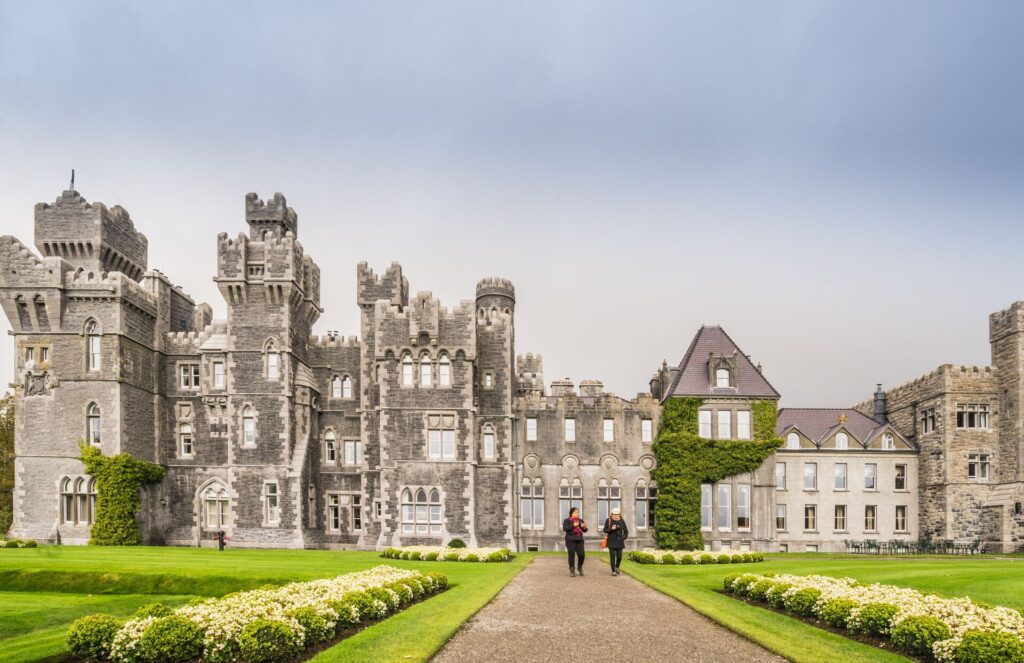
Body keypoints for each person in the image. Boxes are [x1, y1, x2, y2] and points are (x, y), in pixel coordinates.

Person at [603, 507, 629, 575]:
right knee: (612, 557)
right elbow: (605, 530)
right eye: (614, 514)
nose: (616, 516)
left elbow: (626, 531)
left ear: (619, 515)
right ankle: (613, 571)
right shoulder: (608, 520)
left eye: (617, 514)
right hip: (611, 541)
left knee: (619, 557)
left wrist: (623, 537)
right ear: (611, 514)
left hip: (619, 542)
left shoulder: (621, 521)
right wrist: (611, 528)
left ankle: (617, 567)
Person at [563, 507, 588, 576]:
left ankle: (579, 567)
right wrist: (573, 525)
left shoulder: (580, 520)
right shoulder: (567, 520)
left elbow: (585, 530)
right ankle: (572, 569)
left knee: (582, 555)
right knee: (571, 555)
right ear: (571, 513)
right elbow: (565, 528)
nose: (577, 513)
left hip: (579, 539)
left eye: (578, 512)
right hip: (570, 540)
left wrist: (584, 527)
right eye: (576, 512)